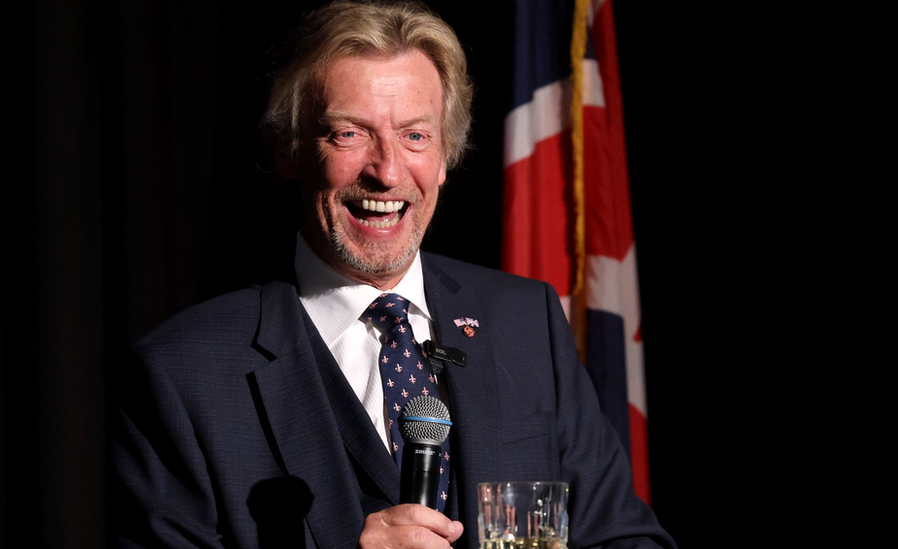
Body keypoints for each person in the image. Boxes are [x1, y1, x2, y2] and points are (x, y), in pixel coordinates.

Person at [110, 2, 675, 548]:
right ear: (288, 149)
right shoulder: (183, 375)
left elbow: (623, 538)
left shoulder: (528, 322)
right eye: (349, 133)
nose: (386, 171)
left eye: (415, 135)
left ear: (446, 155)